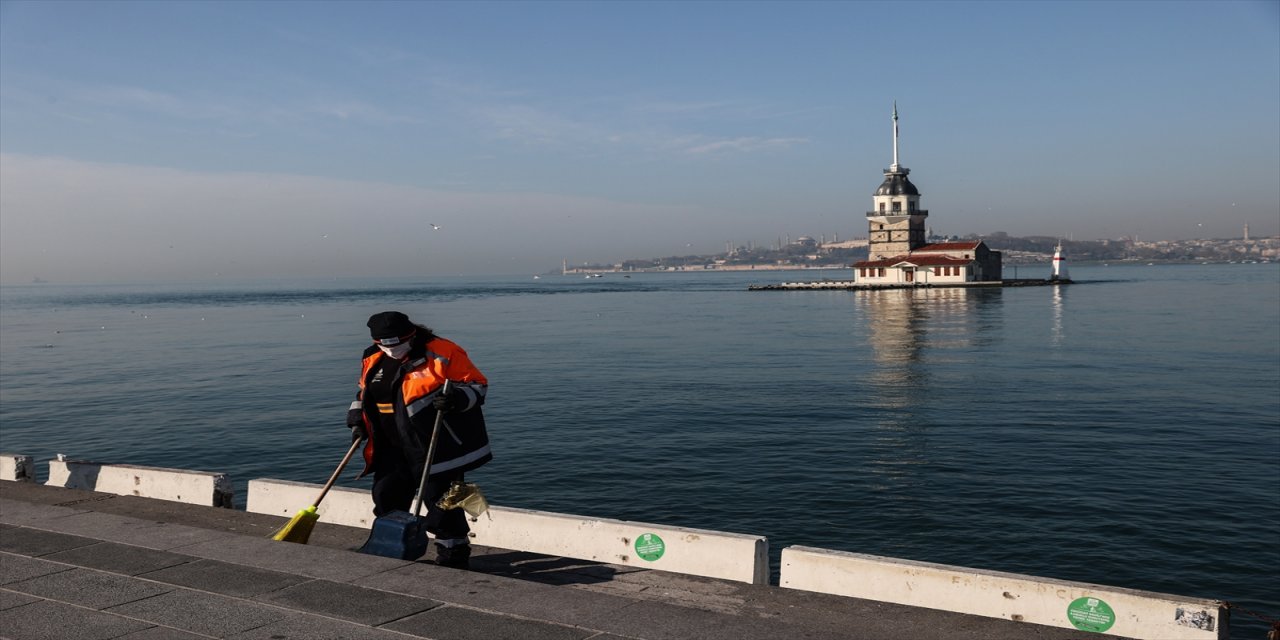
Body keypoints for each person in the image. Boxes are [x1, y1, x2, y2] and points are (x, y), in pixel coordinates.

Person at [347, 311, 492, 569]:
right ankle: (392, 544)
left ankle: (453, 553)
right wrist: (358, 419)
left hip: (435, 444)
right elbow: (364, 391)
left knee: (442, 503)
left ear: (410, 335)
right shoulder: (372, 355)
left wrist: (456, 399)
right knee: (385, 495)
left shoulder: (443, 352)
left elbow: (477, 387)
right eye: (384, 344)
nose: (392, 350)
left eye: (397, 343)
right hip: (390, 444)